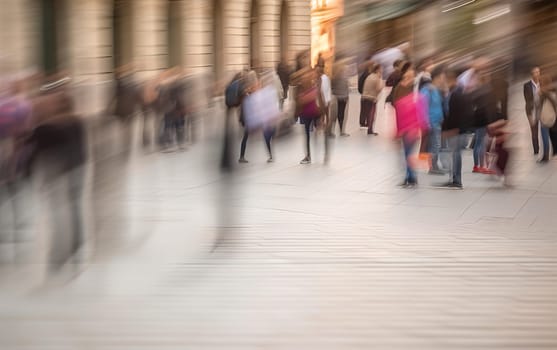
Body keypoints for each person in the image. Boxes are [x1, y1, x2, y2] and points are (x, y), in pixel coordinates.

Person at [393, 68, 427, 188]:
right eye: (407, 76)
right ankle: (410, 177)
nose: (408, 78)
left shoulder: (415, 96)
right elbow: (397, 109)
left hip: (410, 129)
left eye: (410, 76)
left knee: (408, 154)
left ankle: (411, 178)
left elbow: (419, 115)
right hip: (406, 128)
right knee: (408, 154)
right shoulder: (401, 90)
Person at [441, 70, 474, 189]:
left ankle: (456, 180)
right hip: (458, 129)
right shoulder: (458, 92)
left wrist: (451, 129)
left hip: (456, 130)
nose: (445, 82)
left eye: (446, 80)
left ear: (452, 80)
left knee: (455, 154)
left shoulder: (455, 94)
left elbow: (454, 113)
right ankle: (454, 178)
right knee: (455, 154)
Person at [297, 68, 327, 164]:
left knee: (318, 133)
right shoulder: (301, 87)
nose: (305, 79)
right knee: (306, 135)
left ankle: (324, 153)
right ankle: (308, 156)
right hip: (306, 114)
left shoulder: (316, 86)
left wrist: (324, 115)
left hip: (315, 113)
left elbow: (321, 100)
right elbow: (299, 101)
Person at [420, 65, 446, 175]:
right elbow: (422, 106)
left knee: (435, 145)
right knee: (435, 145)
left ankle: (434, 165)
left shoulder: (437, 90)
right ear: (436, 77)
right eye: (442, 77)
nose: (443, 79)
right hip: (431, 122)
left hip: (437, 121)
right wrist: (426, 122)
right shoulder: (428, 89)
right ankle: (433, 166)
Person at [524, 66, 542, 156]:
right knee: (534, 130)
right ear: (532, 75)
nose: (537, 74)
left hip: (542, 110)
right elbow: (527, 101)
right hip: (532, 111)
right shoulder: (526, 85)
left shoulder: (543, 83)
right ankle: (536, 149)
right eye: (535, 72)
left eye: (538, 72)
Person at [362, 64, 384, 136]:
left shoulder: (370, 76)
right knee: (372, 114)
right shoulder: (377, 77)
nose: (382, 70)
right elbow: (378, 89)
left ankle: (370, 129)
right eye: (381, 69)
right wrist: (382, 83)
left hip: (365, 97)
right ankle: (370, 130)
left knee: (368, 114)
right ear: (377, 70)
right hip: (371, 98)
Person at [330, 61, 350, 137]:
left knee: (334, 116)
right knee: (341, 115)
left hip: (336, 98)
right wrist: (347, 96)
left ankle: (332, 131)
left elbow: (332, 87)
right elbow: (346, 89)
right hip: (342, 99)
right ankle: (342, 131)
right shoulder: (343, 78)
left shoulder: (334, 78)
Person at [358, 60, 372, 127]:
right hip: (367, 94)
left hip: (364, 93)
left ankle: (362, 122)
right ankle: (364, 122)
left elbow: (360, 84)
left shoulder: (364, 74)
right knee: (367, 109)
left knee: (363, 109)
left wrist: (361, 91)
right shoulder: (368, 75)